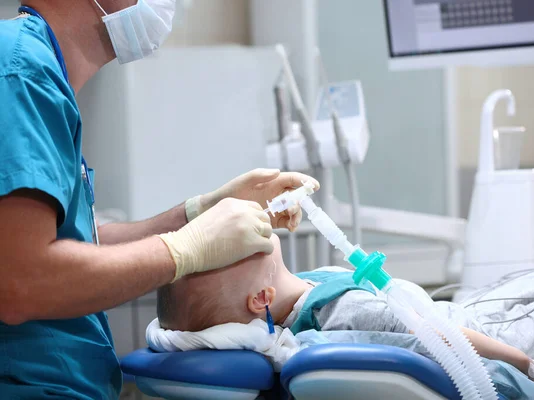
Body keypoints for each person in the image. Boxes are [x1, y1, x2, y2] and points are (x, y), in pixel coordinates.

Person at [0, 0, 319, 398]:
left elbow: (78, 246)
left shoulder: (37, 72)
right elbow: (21, 283)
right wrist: (183, 249)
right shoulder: (21, 73)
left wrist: (195, 213)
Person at [157, 234, 534, 396]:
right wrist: (525, 363)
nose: (239, 229)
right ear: (261, 298)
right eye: (229, 245)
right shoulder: (341, 313)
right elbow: (438, 335)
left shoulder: (293, 296)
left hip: (459, 311)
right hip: (486, 333)